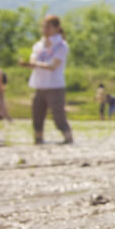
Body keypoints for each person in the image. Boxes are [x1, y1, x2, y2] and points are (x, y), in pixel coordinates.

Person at [19, 14, 73, 144]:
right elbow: (33, 59)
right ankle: (38, 138)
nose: (45, 30)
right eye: (44, 27)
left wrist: (35, 64)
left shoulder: (61, 45)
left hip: (55, 85)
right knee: (37, 114)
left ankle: (68, 138)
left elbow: (53, 66)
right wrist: (27, 63)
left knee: (58, 116)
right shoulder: (39, 45)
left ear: (57, 28)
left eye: (48, 27)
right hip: (39, 84)